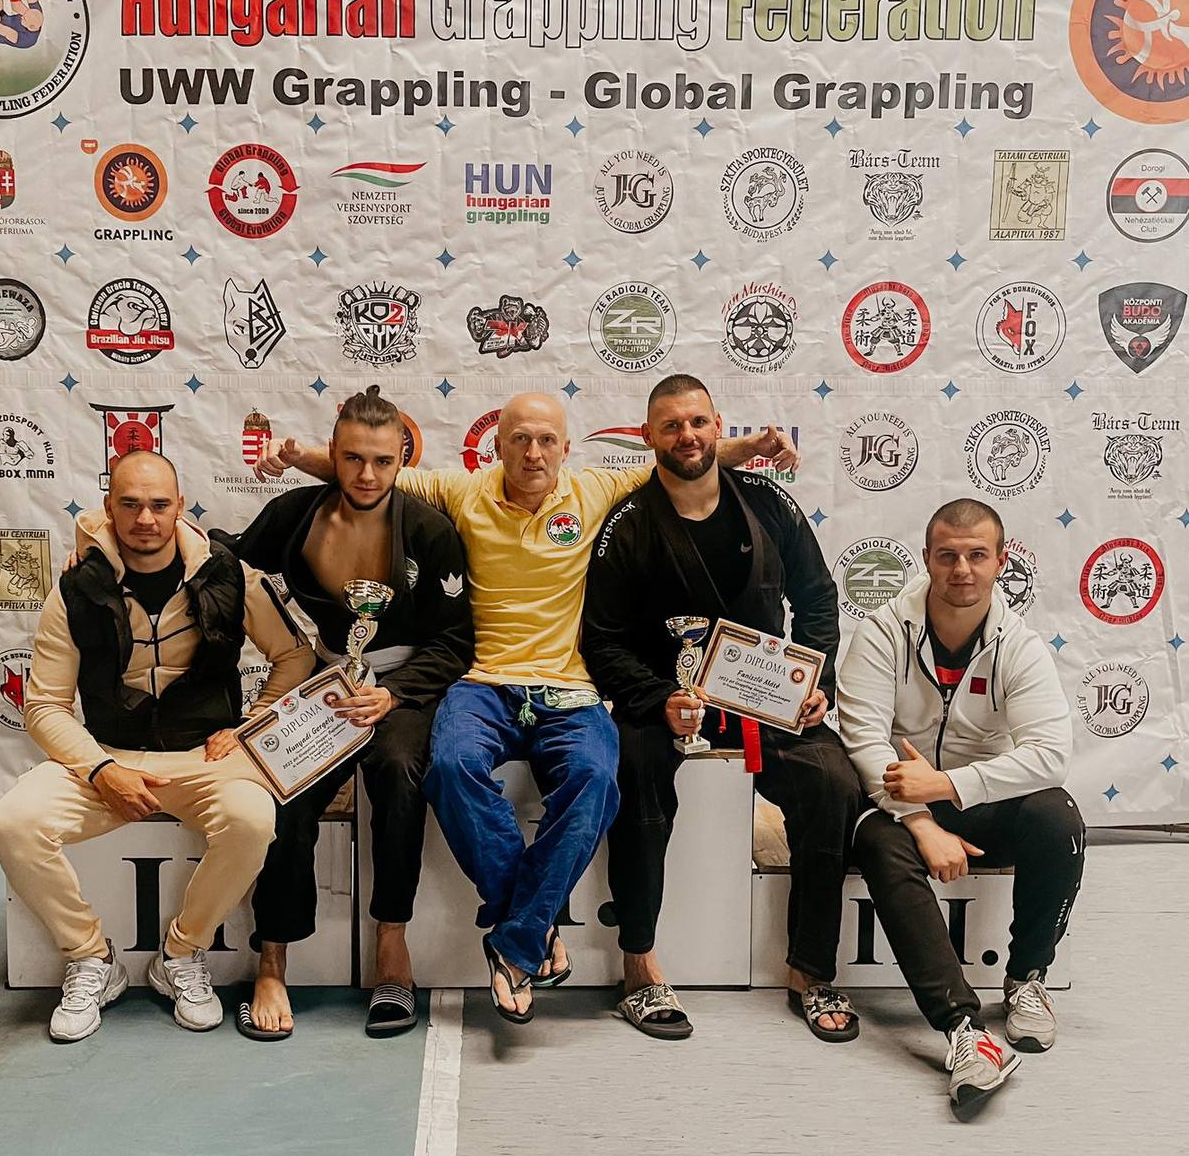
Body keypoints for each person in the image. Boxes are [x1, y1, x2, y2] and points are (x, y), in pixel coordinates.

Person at [253, 393, 796, 1023]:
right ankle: (532, 927)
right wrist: (300, 457)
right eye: (519, 440)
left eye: (545, 441)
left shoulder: (593, 490)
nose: (532, 453)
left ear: (566, 448)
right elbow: (371, 472)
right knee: (450, 767)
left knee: (597, 777)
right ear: (498, 445)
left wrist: (751, 448)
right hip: (482, 684)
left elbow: (682, 457)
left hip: (570, 688)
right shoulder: (463, 492)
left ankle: (515, 939)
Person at [0, 451, 314, 1043]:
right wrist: (100, 769)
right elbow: (44, 705)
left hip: (203, 759)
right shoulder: (76, 588)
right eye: (131, 504)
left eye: (159, 505)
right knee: (14, 823)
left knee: (253, 819)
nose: (145, 519)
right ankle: (91, 957)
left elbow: (295, 655)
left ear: (180, 507)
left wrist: (254, 724)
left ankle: (181, 954)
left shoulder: (229, 573)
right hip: (107, 754)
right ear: (108, 507)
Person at [582, 374, 864, 1041]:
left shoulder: (767, 504)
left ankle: (809, 969)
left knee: (832, 782)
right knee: (635, 775)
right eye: (671, 426)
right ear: (648, 437)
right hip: (663, 699)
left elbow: (817, 599)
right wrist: (658, 698)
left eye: (698, 422)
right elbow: (601, 638)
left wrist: (814, 679)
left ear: (718, 426)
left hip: (764, 697)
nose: (687, 436)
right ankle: (639, 965)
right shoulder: (627, 522)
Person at [213, 386, 473, 1039]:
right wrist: (100, 541)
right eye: (353, 458)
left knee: (399, 770)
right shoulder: (295, 514)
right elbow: (222, 559)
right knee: (283, 787)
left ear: (401, 461)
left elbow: (455, 640)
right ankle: (272, 958)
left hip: (400, 688)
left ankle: (392, 942)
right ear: (333, 453)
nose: (366, 475)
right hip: (327, 678)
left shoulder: (430, 531)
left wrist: (399, 692)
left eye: (382, 461)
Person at [837, 497, 1083, 1104]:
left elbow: (1050, 755)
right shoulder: (881, 632)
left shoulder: (1019, 645)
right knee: (878, 841)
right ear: (926, 559)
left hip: (974, 798)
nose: (962, 570)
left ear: (1001, 562)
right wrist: (922, 820)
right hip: (899, 804)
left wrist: (948, 786)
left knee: (1056, 814)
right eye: (947, 556)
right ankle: (964, 1032)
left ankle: (1026, 978)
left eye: (977, 555)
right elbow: (863, 741)